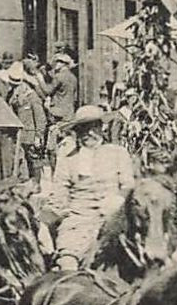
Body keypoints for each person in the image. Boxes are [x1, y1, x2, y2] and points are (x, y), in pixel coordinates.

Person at [40, 106, 135, 270]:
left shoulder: (118, 153)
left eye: (93, 127)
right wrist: (42, 223)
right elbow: (58, 199)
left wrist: (118, 200)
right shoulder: (68, 159)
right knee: (67, 267)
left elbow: (129, 185)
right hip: (78, 225)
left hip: (114, 223)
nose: (89, 133)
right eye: (83, 129)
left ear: (101, 127)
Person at [6, 62, 50, 176]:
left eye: (17, 85)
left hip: (30, 134)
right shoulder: (11, 96)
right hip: (17, 134)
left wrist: (38, 136)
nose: (14, 88)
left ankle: (36, 183)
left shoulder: (32, 97)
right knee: (19, 159)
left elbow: (41, 118)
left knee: (33, 159)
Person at [47, 51, 79, 122]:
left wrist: (38, 79)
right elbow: (75, 97)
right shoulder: (73, 77)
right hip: (69, 111)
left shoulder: (58, 76)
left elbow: (48, 91)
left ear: (65, 64)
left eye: (60, 62)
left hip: (58, 111)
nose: (57, 64)